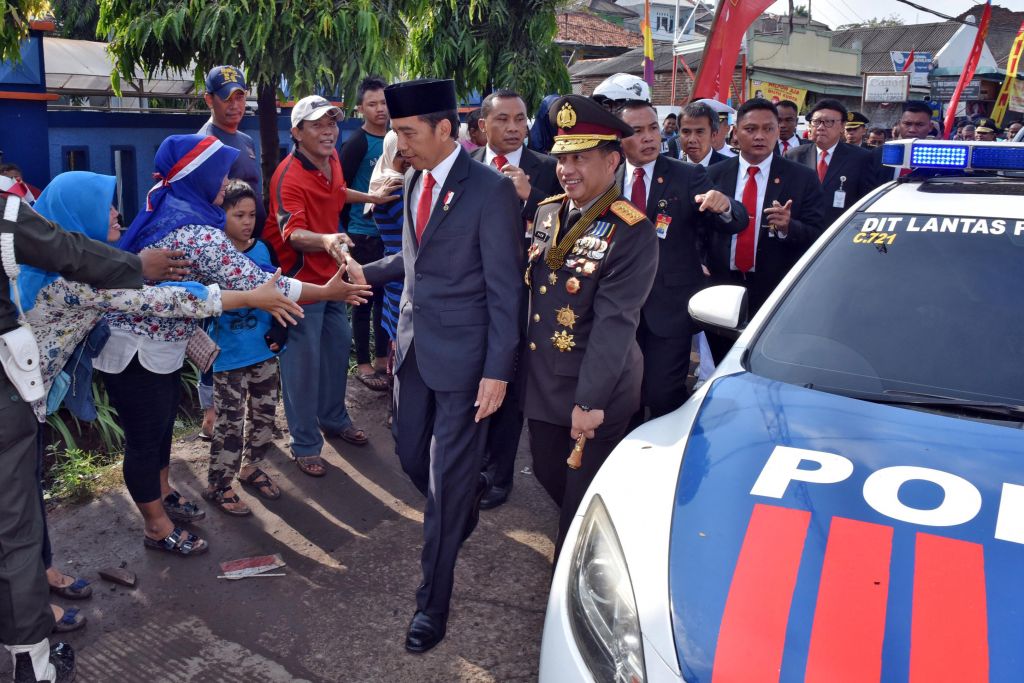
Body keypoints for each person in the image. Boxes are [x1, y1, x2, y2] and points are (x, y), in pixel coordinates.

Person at [96, 134, 370, 559]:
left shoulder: (172, 210)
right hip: (138, 352)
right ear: (199, 176)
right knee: (145, 441)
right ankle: (157, 526)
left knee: (161, 431)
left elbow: (248, 275)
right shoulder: (197, 233)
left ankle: (165, 494)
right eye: (219, 177)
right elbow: (254, 281)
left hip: (160, 347)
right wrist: (326, 292)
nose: (225, 184)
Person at [348, 78, 522, 654]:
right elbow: (414, 258)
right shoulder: (417, 179)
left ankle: (432, 604)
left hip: (470, 363)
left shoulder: (491, 192)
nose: (397, 146)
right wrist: (364, 275)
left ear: (445, 129)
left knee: (444, 485)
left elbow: (504, 291)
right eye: (394, 133)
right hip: (416, 352)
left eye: (406, 133)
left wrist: (498, 371)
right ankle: (460, 502)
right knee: (406, 453)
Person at [0, 174, 186, 683]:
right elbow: (162, 301)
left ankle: (39, 583)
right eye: (107, 208)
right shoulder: (67, 276)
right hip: (12, 396)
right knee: (14, 522)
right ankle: (31, 649)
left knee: (24, 503)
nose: (118, 219)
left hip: (26, 398)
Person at [520, 94, 658, 557]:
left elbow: (615, 324)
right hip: (543, 379)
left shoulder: (632, 229)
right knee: (543, 468)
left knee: (579, 490)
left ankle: (574, 567)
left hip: (594, 384)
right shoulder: (547, 212)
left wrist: (590, 402)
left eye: (580, 157)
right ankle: (601, 529)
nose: (567, 169)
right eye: (562, 158)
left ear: (612, 162)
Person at [262, 95, 397, 476]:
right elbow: (292, 234)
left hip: (333, 277)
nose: (328, 131)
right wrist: (324, 239)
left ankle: (334, 419)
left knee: (337, 353)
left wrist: (370, 197)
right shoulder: (287, 176)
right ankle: (305, 443)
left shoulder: (332, 159)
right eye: (318, 125)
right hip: (300, 284)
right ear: (297, 132)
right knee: (301, 368)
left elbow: (337, 193)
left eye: (332, 123)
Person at [614, 100, 745, 419]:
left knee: (663, 394)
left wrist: (724, 204)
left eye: (653, 129)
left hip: (669, 309)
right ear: (619, 138)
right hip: (619, 309)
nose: (648, 138)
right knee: (625, 394)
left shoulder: (687, 176)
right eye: (637, 130)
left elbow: (737, 220)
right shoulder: (608, 178)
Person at [470, 89, 561, 509]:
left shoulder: (548, 169)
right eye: (502, 119)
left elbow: (565, 233)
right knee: (472, 381)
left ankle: (498, 475)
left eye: (520, 119)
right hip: (473, 297)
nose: (512, 127)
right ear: (483, 125)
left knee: (508, 382)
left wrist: (532, 200)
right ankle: (469, 467)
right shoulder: (467, 169)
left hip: (527, 299)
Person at [705, 98, 825, 361]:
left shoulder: (801, 177)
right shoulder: (714, 175)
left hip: (775, 287)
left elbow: (819, 235)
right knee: (722, 359)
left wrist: (788, 227)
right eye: (751, 129)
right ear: (735, 133)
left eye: (768, 129)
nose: (760, 136)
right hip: (724, 284)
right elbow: (699, 231)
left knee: (768, 360)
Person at [203, 180, 292, 515]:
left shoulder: (264, 249)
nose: (246, 221)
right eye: (238, 214)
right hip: (228, 358)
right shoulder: (213, 255)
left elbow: (279, 292)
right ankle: (219, 484)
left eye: (252, 214)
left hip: (263, 351)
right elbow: (204, 303)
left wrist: (282, 330)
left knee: (265, 416)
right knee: (229, 424)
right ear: (220, 216)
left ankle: (251, 466)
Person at [196, 64, 264, 441]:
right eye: (227, 98)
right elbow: (208, 204)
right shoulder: (206, 143)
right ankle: (212, 414)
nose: (235, 105)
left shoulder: (244, 139)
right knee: (217, 326)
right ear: (209, 100)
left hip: (248, 247)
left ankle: (237, 413)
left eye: (240, 96)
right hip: (219, 252)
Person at [340, 76, 391, 392]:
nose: (380, 109)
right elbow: (339, 190)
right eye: (372, 104)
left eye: (384, 102)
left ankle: (385, 360)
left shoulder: (397, 139)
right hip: (362, 234)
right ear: (360, 109)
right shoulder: (357, 143)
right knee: (362, 301)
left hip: (391, 235)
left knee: (386, 301)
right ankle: (363, 364)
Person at [368, 131, 408, 427]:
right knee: (401, 342)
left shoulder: (384, 181)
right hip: (401, 271)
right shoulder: (396, 188)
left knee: (397, 338)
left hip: (395, 272)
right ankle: (399, 412)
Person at [786, 99, 876, 228]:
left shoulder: (861, 158)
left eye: (828, 122)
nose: (821, 127)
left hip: (839, 233)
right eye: (816, 122)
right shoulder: (794, 155)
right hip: (802, 232)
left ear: (842, 126)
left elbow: (866, 201)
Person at [874, 100, 934, 182]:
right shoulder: (879, 155)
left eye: (919, 125)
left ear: (930, 127)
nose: (912, 130)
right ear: (899, 124)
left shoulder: (941, 158)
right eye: (907, 124)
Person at [671, 101, 730, 166]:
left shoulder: (729, 168)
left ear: (713, 135)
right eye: (686, 132)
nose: (692, 140)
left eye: (699, 132)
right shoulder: (671, 170)